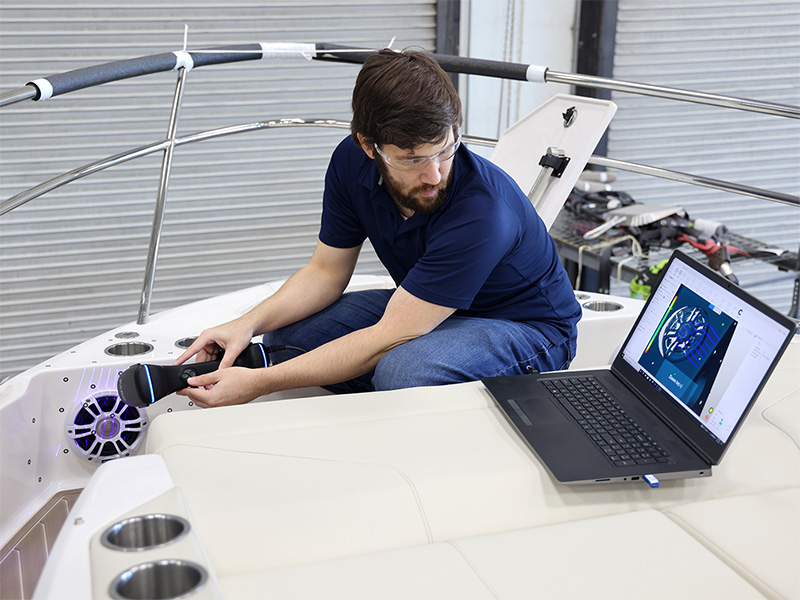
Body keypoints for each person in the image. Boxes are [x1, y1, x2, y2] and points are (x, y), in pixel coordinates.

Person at [175, 48, 581, 408]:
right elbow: (325, 272)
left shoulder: (483, 211)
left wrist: (260, 383)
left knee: (403, 373)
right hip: (435, 309)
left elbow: (387, 336)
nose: (434, 174)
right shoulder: (350, 162)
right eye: (412, 159)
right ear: (369, 146)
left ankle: (402, 399)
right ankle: (397, 398)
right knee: (285, 338)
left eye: (445, 150)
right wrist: (245, 324)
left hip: (526, 328)